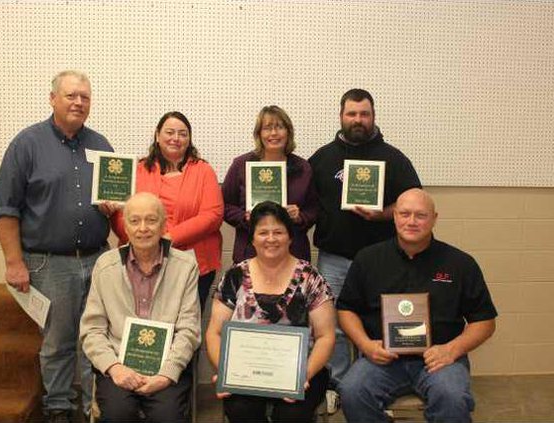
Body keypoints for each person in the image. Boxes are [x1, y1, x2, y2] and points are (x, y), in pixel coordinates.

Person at [0, 70, 112, 423]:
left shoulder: (101, 145)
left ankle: (96, 406)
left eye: (85, 97)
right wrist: (14, 262)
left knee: (99, 338)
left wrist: (113, 206)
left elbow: (115, 200)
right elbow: (5, 209)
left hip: (98, 259)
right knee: (58, 342)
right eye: (71, 96)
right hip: (49, 263)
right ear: (53, 99)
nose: (78, 103)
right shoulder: (26, 144)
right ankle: (58, 408)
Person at [337, 188, 497, 423]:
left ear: (434, 218)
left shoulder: (460, 263)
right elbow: (346, 308)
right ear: (394, 217)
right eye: (404, 214)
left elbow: (485, 321)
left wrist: (451, 350)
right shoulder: (368, 259)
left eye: (420, 215)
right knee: (352, 392)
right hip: (382, 358)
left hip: (439, 360)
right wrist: (366, 345)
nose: (411, 221)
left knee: (452, 397)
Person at [308, 88, 421, 409]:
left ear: (373, 116)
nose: (358, 120)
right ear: (341, 116)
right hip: (334, 258)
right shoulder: (322, 158)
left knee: (382, 321)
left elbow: (414, 203)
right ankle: (339, 385)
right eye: (352, 113)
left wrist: (382, 213)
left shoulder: (394, 158)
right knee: (333, 328)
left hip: (383, 259)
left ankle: (379, 387)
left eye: (364, 114)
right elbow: (306, 200)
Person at [206, 201, 336, 423]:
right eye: (263, 232)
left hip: (302, 369)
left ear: (290, 237)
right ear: (253, 238)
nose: (271, 238)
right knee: (240, 409)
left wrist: (302, 375)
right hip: (246, 371)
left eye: (278, 232)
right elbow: (214, 332)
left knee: (291, 414)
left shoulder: (310, 278)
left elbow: (326, 336)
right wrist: (226, 371)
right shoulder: (235, 276)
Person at [80, 192, 201, 423]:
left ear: (164, 225)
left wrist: (167, 373)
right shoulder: (106, 265)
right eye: (134, 221)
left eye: (151, 220)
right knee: (117, 414)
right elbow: (92, 330)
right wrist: (114, 368)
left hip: (165, 368)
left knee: (168, 417)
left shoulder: (185, 267)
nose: (143, 228)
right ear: (125, 225)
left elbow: (189, 330)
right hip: (118, 367)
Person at [103, 111, 223, 309]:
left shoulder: (204, 170)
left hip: (195, 263)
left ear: (189, 139)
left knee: (185, 325)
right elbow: (120, 215)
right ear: (157, 135)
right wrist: (145, 242)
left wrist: (165, 239)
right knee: (143, 322)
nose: (176, 138)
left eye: (183, 134)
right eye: (170, 132)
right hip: (141, 262)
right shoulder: (137, 170)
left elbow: (213, 215)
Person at [222, 105, 319, 263]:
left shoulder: (303, 168)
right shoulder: (241, 165)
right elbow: (224, 205)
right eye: (267, 128)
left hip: (293, 254)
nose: (274, 133)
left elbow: (314, 209)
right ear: (259, 134)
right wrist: (244, 217)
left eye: (279, 127)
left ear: (288, 132)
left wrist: (299, 216)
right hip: (250, 253)